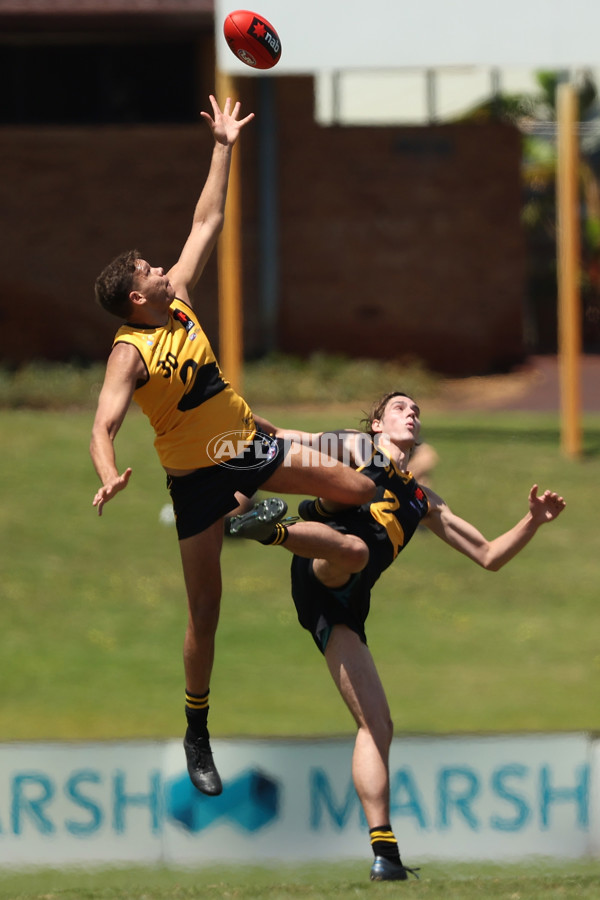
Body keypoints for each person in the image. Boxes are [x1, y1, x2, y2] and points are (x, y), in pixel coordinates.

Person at [90, 95, 375, 798]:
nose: (162, 269)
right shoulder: (130, 350)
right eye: (150, 270)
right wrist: (108, 474)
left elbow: (207, 219)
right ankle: (197, 731)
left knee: (360, 490)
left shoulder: (181, 297)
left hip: (246, 446)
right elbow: (104, 424)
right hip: (196, 481)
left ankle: (277, 533)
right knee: (206, 612)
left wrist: (224, 144)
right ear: (134, 297)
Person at [225, 390, 566, 881]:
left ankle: (385, 854)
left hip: (350, 604)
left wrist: (532, 521)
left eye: (416, 410)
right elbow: (280, 437)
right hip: (323, 567)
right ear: (377, 425)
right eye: (400, 408)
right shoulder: (358, 450)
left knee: (377, 725)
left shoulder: (424, 500)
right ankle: (269, 530)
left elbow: (490, 555)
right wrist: (228, 406)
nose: (412, 414)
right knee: (356, 552)